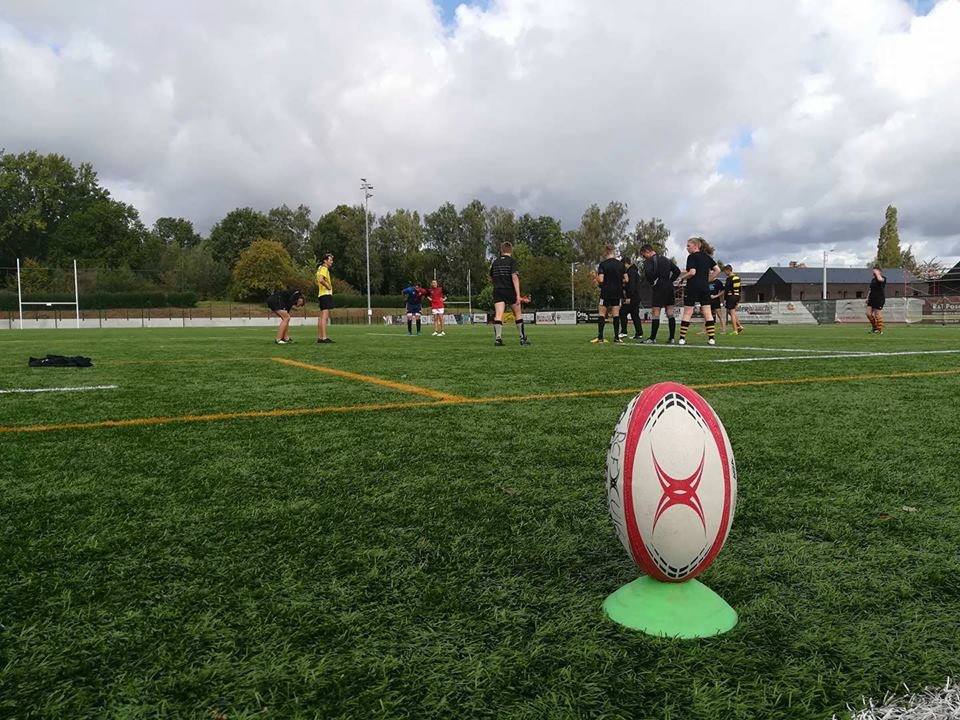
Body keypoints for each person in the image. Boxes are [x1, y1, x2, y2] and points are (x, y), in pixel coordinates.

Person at [677, 237, 721, 346]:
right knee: (707, 312)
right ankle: (711, 339)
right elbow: (718, 270)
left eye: (688, 245)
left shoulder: (691, 257)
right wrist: (708, 280)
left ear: (695, 246)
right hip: (704, 287)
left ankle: (682, 338)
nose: (687, 248)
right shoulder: (707, 257)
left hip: (692, 287)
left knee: (688, 312)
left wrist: (682, 278)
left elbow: (692, 272)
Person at [489, 241, 531, 346]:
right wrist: (518, 295)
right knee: (518, 314)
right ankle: (522, 338)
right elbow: (514, 277)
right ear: (511, 250)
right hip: (510, 290)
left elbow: (491, 277)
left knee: (498, 314)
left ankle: (498, 338)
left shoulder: (495, 262)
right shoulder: (512, 262)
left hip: (498, 290)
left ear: (501, 250)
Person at [640, 244, 680, 344]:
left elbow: (648, 275)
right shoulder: (666, 259)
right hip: (669, 287)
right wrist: (670, 280)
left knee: (655, 312)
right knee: (670, 312)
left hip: (659, 288)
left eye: (643, 255)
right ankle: (671, 338)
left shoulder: (649, 261)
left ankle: (652, 338)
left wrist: (653, 282)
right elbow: (677, 271)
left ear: (647, 251)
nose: (644, 257)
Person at [593, 244, 626, 344]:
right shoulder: (621, 265)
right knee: (616, 314)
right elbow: (626, 279)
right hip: (617, 292)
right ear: (613, 252)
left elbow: (601, 279)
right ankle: (616, 337)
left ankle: (600, 337)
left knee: (602, 313)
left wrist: (596, 277)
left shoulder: (603, 264)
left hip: (606, 291)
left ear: (606, 252)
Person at [618, 256, 644, 340]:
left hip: (632, 297)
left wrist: (629, 297)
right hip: (636, 297)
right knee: (635, 315)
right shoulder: (634, 271)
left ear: (625, 263)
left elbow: (632, 285)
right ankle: (639, 333)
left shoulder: (631, 272)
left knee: (622, 312)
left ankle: (624, 332)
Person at [315, 253, 335, 343]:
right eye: (330, 260)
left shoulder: (319, 268)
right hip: (325, 294)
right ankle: (324, 337)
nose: (332, 262)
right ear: (325, 261)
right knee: (324, 317)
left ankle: (320, 337)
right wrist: (328, 286)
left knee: (321, 317)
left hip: (321, 294)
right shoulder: (324, 268)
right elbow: (321, 280)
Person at [723, 264, 744, 334]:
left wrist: (725, 299)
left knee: (731, 313)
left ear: (728, 270)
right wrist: (739, 299)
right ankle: (739, 326)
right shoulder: (737, 277)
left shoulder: (729, 278)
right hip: (737, 296)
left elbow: (726, 289)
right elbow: (740, 289)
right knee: (731, 312)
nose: (725, 273)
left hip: (731, 296)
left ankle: (735, 330)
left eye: (725, 272)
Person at [867, 267, 886, 334]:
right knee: (868, 314)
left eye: (875, 271)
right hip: (871, 298)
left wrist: (877, 273)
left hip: (879, 299)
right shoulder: (873, 280)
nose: (873, 272)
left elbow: (880, 280)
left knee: (877, 314)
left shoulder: (883, 278)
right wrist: (867, 298)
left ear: (879, 272)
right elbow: (870, 289)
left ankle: (879, 329)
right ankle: (874, 327)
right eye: (873, 271)